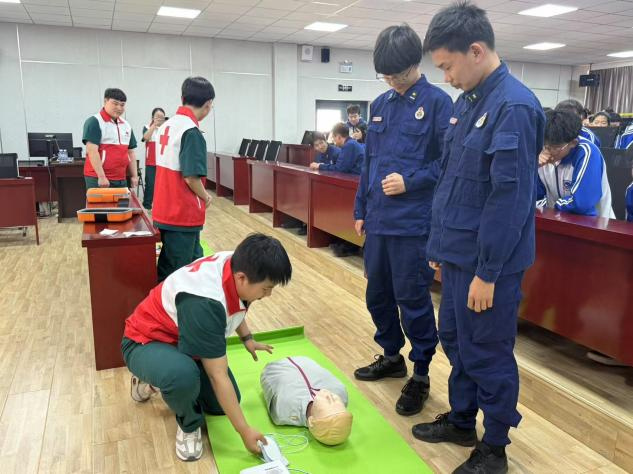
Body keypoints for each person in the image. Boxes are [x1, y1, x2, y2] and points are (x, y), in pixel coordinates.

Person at [414, 4, 545, 473]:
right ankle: (462, 420)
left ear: (475, 50)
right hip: (456, 256)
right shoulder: (468, 103)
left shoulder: (514, 107)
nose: (446, 78)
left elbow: (509, 202)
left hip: (489, 266)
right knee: (455, 339)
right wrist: (438, 248)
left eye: (448, 66)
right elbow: (451, 182)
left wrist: (488, 272)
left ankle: (494, 448)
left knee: (487, 352)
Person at [352, 24, 452, 418]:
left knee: (412, 301)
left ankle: (421, 374)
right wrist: (361, 209)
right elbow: (368, 163)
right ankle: (391, 356)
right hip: (379, 222)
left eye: (398, 74)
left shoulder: (439, 104)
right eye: (386, 76)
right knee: (377, 296)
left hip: (413, 225)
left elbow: (447, 164)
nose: (392, 81)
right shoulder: (380, 104)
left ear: (415, 63)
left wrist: (411, 181)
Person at [122, 233, 292, 462]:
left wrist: (247, 338)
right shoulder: (205, 302)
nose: (268, 294)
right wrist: (244, 431)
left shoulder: (238, 264)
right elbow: (217, 375)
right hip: (144, 341)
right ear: (242, 278)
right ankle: (187, 424)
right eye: (266, 289)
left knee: (222, 404)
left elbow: (234, 305)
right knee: (182, 376)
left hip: (186, 339)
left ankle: (163, 379)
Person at [153, 77, 215, 282]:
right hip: (181, 212)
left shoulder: (167, 125)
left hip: (164, 207)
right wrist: (205, 196)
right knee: (177, 274)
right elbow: (191, 177)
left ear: (182, 98)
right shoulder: (191, 131)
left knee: (190, 262)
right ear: (208, 105)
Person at [537, 109, 615, 218]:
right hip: (554, 219)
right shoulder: (541, 151)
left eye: (554, 148)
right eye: (545, 146)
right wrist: (534, 166)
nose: (548, 152)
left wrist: (553, 206)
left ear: (573, 143)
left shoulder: (587, 152)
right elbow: (534, 195)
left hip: (594, 222)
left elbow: (582, 202)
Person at [260, 356, 353, 445]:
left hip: (275, 366)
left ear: (311, 421)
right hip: (305, 359)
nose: (330, 396)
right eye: (338, 404)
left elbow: (269, 379)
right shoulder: (340, 392)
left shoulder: (284, 409)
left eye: (328, 404)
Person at [83, 88, 138, 189]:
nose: (119, 108)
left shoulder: (126, 125)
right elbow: (92, 151)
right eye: (115, 103)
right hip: (98, 178)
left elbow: (130, 152)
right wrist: (101, 177)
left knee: (124, 200)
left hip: (121, 178)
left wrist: (134, 175)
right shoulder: (94, 121)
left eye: (122, 105)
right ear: (105, 101)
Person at [141, 107, 166, 210]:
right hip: (151, 161)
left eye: (162, 117)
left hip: (164, 162)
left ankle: (161, 206)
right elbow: (145, 138)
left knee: (163, 185)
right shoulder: (147, 127)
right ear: (152, 117)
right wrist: (154, 125)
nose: (160, 119)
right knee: (150, 184)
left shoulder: (166, 128)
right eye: (157, 117)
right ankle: (147, 205)